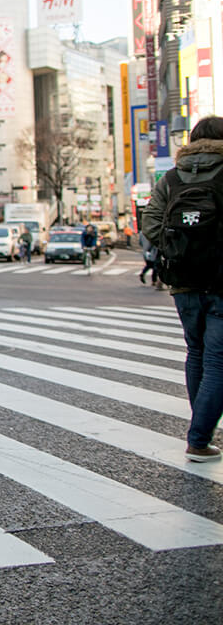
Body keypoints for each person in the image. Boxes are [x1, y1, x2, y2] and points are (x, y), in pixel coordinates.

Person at [141, 114, 223, 463]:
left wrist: (178, 248)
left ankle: (201, 430)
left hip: (183, 279)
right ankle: (198, 438)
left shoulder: (172, 178)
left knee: (197, 353)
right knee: (219, 360)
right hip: (221, 279)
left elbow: (150, 221)